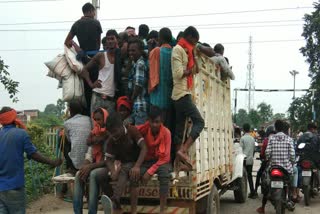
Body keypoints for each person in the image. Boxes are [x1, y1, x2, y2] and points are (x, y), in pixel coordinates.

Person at [0, 107, 62, 214]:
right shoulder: (21, 134)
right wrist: (52, 162)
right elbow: (33, 154)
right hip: (15, 187)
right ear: (14, 119)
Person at [171, 26, 214, 170]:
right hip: (181, 94)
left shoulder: (187, 50)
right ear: (188, 36)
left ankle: (179, 162)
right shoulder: (178, 49)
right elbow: (178, 74)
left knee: (179, 130)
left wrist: (195, 55)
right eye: (194, 41)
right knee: (199, 122)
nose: (195, 44)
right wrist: (190, 70)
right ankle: (183, 150)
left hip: (181, 94)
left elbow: (195, 69)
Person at [104, 112, 147, 214]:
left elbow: (144, 148)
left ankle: (117, 200)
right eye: (111, 133)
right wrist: (113, 171)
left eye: (114, 131)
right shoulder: (112, 139)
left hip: (139, 163)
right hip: (124, 165)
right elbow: (108, 160)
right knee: (122, 171)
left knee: (129, 171)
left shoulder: (132, 130)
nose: (113, 135)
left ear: (121, 125)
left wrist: (137, 166)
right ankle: (117, 203)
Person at [64, 3, 103, 115]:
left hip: (82, 61)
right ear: (91, 11)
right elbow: (99, 43)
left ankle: (85, 114)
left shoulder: (76, 24)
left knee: (86, 90)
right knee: (96, 88)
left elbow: (67, 42)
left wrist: (76, 47)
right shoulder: (96, 23)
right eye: (94, 11)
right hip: (95, 60)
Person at [73, 108, 109, 214]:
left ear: (105, 119)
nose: (97, 122)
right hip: (96, 164)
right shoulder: (94, 133)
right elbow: (89, 154)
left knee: (93, 175)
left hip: (108, 165)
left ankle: (92, 212)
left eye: (100, 119)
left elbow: (108, 160)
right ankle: (77, 211)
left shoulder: (110, 134)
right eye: (95, 119)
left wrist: (90, 167)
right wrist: (85, 166)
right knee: (78, 174)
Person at [136, 106, 171, 214]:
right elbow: (133, 132)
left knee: (164, 175)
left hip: (161, 161)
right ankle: (134, 207)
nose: (154, 125)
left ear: (161, 122)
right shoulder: (144, 129)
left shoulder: (166, 133)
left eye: (157, 122)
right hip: (147, 161)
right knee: (135, 174)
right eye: (152, 122)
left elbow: (166, 157)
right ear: (148, 120)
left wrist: (149, 172)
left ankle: (162, 209)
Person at [80, 29, 122, 114]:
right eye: (108, 39)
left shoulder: (120, 55)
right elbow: (84, 70)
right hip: (98, 96)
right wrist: (91, 84)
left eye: (112, 38)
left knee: (109, 126)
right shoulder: (101, 55)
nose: (110, 41)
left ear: (117, 40)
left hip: (111, 99)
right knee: (96, 125)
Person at [261, 120, 295, 213]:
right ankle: (289, 197)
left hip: (273, 167)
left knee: (267, 181)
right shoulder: (289, 139)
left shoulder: (271, 139)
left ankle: (268, 194)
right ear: (284, 128)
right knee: (289, 181)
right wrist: (292, 162)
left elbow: (267, 153)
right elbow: (292, 155)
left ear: (275, 128)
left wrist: (269, 159)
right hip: (286, 168)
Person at [149, 27, 173, 128]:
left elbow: (152, 75)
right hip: (170, 98)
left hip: (157, 98)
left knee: (155, 127)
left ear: (160, 38)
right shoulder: (174, 52)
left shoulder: (156, 51)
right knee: (167, 127)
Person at [64, 100, 92, 172]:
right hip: (89, 160)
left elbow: (69, 140)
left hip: (75, 164)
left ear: (70, 110)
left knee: (62, 140)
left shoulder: (67, 123)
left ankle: (70, 167)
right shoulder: (88, 119)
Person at [127, 38, 149, 125]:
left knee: (139, 134)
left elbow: (138, 85)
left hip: (141, 106)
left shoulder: (140, 64)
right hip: (138, 106)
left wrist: (132, 98)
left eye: (133, 50)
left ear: (140, 51)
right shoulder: (135, 63)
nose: (130, 53)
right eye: (129, 50)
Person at [240, 123, 256, 199]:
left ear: (243, 129)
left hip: (243, 160)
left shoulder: (242, 138)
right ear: (249, 129)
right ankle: (252, 192)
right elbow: (254, 150)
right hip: (250, 160)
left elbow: (240, 150)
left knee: (243, 177)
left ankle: (244, 193)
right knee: (249, 176)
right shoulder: (252, 138)